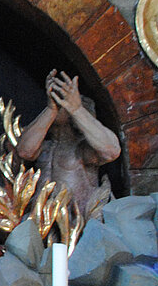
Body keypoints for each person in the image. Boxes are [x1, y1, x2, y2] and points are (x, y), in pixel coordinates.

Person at [15, 70, 122, 219]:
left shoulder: (83, 149)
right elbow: (25, 151)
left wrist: (76, 109)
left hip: (77, 226)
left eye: (63, 102)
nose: (59, 104)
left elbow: (112, 151)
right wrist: (51, 109)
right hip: (42, 224)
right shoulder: (45, 146)